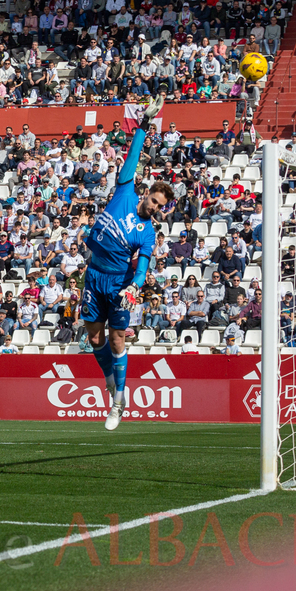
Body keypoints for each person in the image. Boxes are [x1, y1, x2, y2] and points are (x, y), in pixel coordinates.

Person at [77, 95, 175, 430]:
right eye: (155, 201)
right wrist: (143, 126)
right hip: (93, 276)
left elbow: (145, 265)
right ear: (147, 194)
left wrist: (134, 285)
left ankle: (118, 401)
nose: (156, 208)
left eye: (161, 207)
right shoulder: (125, 192)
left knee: (117, 340)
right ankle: (110, 380)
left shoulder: (147, 233)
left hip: (118, 284)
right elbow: (132, 157)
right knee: (93, 339)